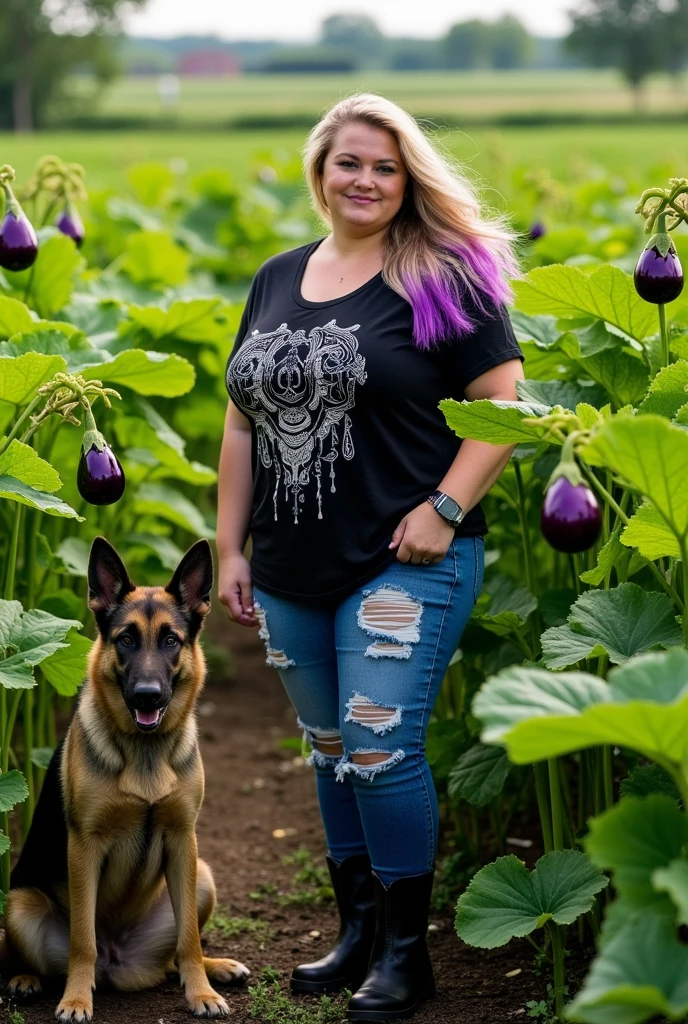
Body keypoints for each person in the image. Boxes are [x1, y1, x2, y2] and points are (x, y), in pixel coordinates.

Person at [218, 93, 524, 1022]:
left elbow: (505, 409)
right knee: (328, 750)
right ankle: (356, 934)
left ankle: (405, 955)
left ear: (409, 179)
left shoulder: (443, 275)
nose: (366, 180)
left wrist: (445, 505)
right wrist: (229, 544)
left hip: (405, 561)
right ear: (322, 169)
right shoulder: (276, 277)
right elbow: (241, 422)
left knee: (380, 748)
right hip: (289, 568)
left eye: (386, 167)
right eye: (350, 162)